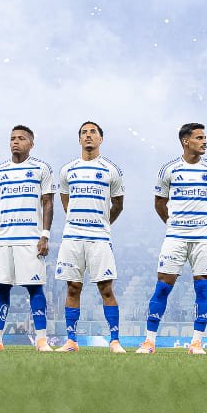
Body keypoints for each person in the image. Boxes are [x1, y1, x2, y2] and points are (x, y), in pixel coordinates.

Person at [137, 123, 207, 355]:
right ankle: (149, 342)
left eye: (205, 137)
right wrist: (173, 224)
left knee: (203, 289)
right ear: (186, 141)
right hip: (175, 237)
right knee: (163, 288)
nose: (205, 141)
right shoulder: (169, 169)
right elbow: (159, 202)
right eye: (199, 137)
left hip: (204, 238)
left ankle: (196, 343)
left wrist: (204, 224)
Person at [0, 126, 56, 352]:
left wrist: (45, 235)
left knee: (35, 288)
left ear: (31, 143)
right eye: (12, 138)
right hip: (3, 240)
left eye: (21, 138)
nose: (15, 142)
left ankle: (41, 340)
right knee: (1, 289)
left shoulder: (41, 168)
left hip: (31, 239)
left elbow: (48, 203)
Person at [53, 121, 126, 353]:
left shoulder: (111, 170)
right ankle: (71, 341)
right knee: (73, 288)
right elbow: (65, 200)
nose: (88, 136)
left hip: (99, 237)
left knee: (106, 288)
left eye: (93, 132)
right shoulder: (68, 170)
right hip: (73, 236)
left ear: (101, 139)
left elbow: (118, 205)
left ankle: (115, 341)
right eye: (84, 132)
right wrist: (76, 219)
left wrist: (102, 223)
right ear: (79, 139)